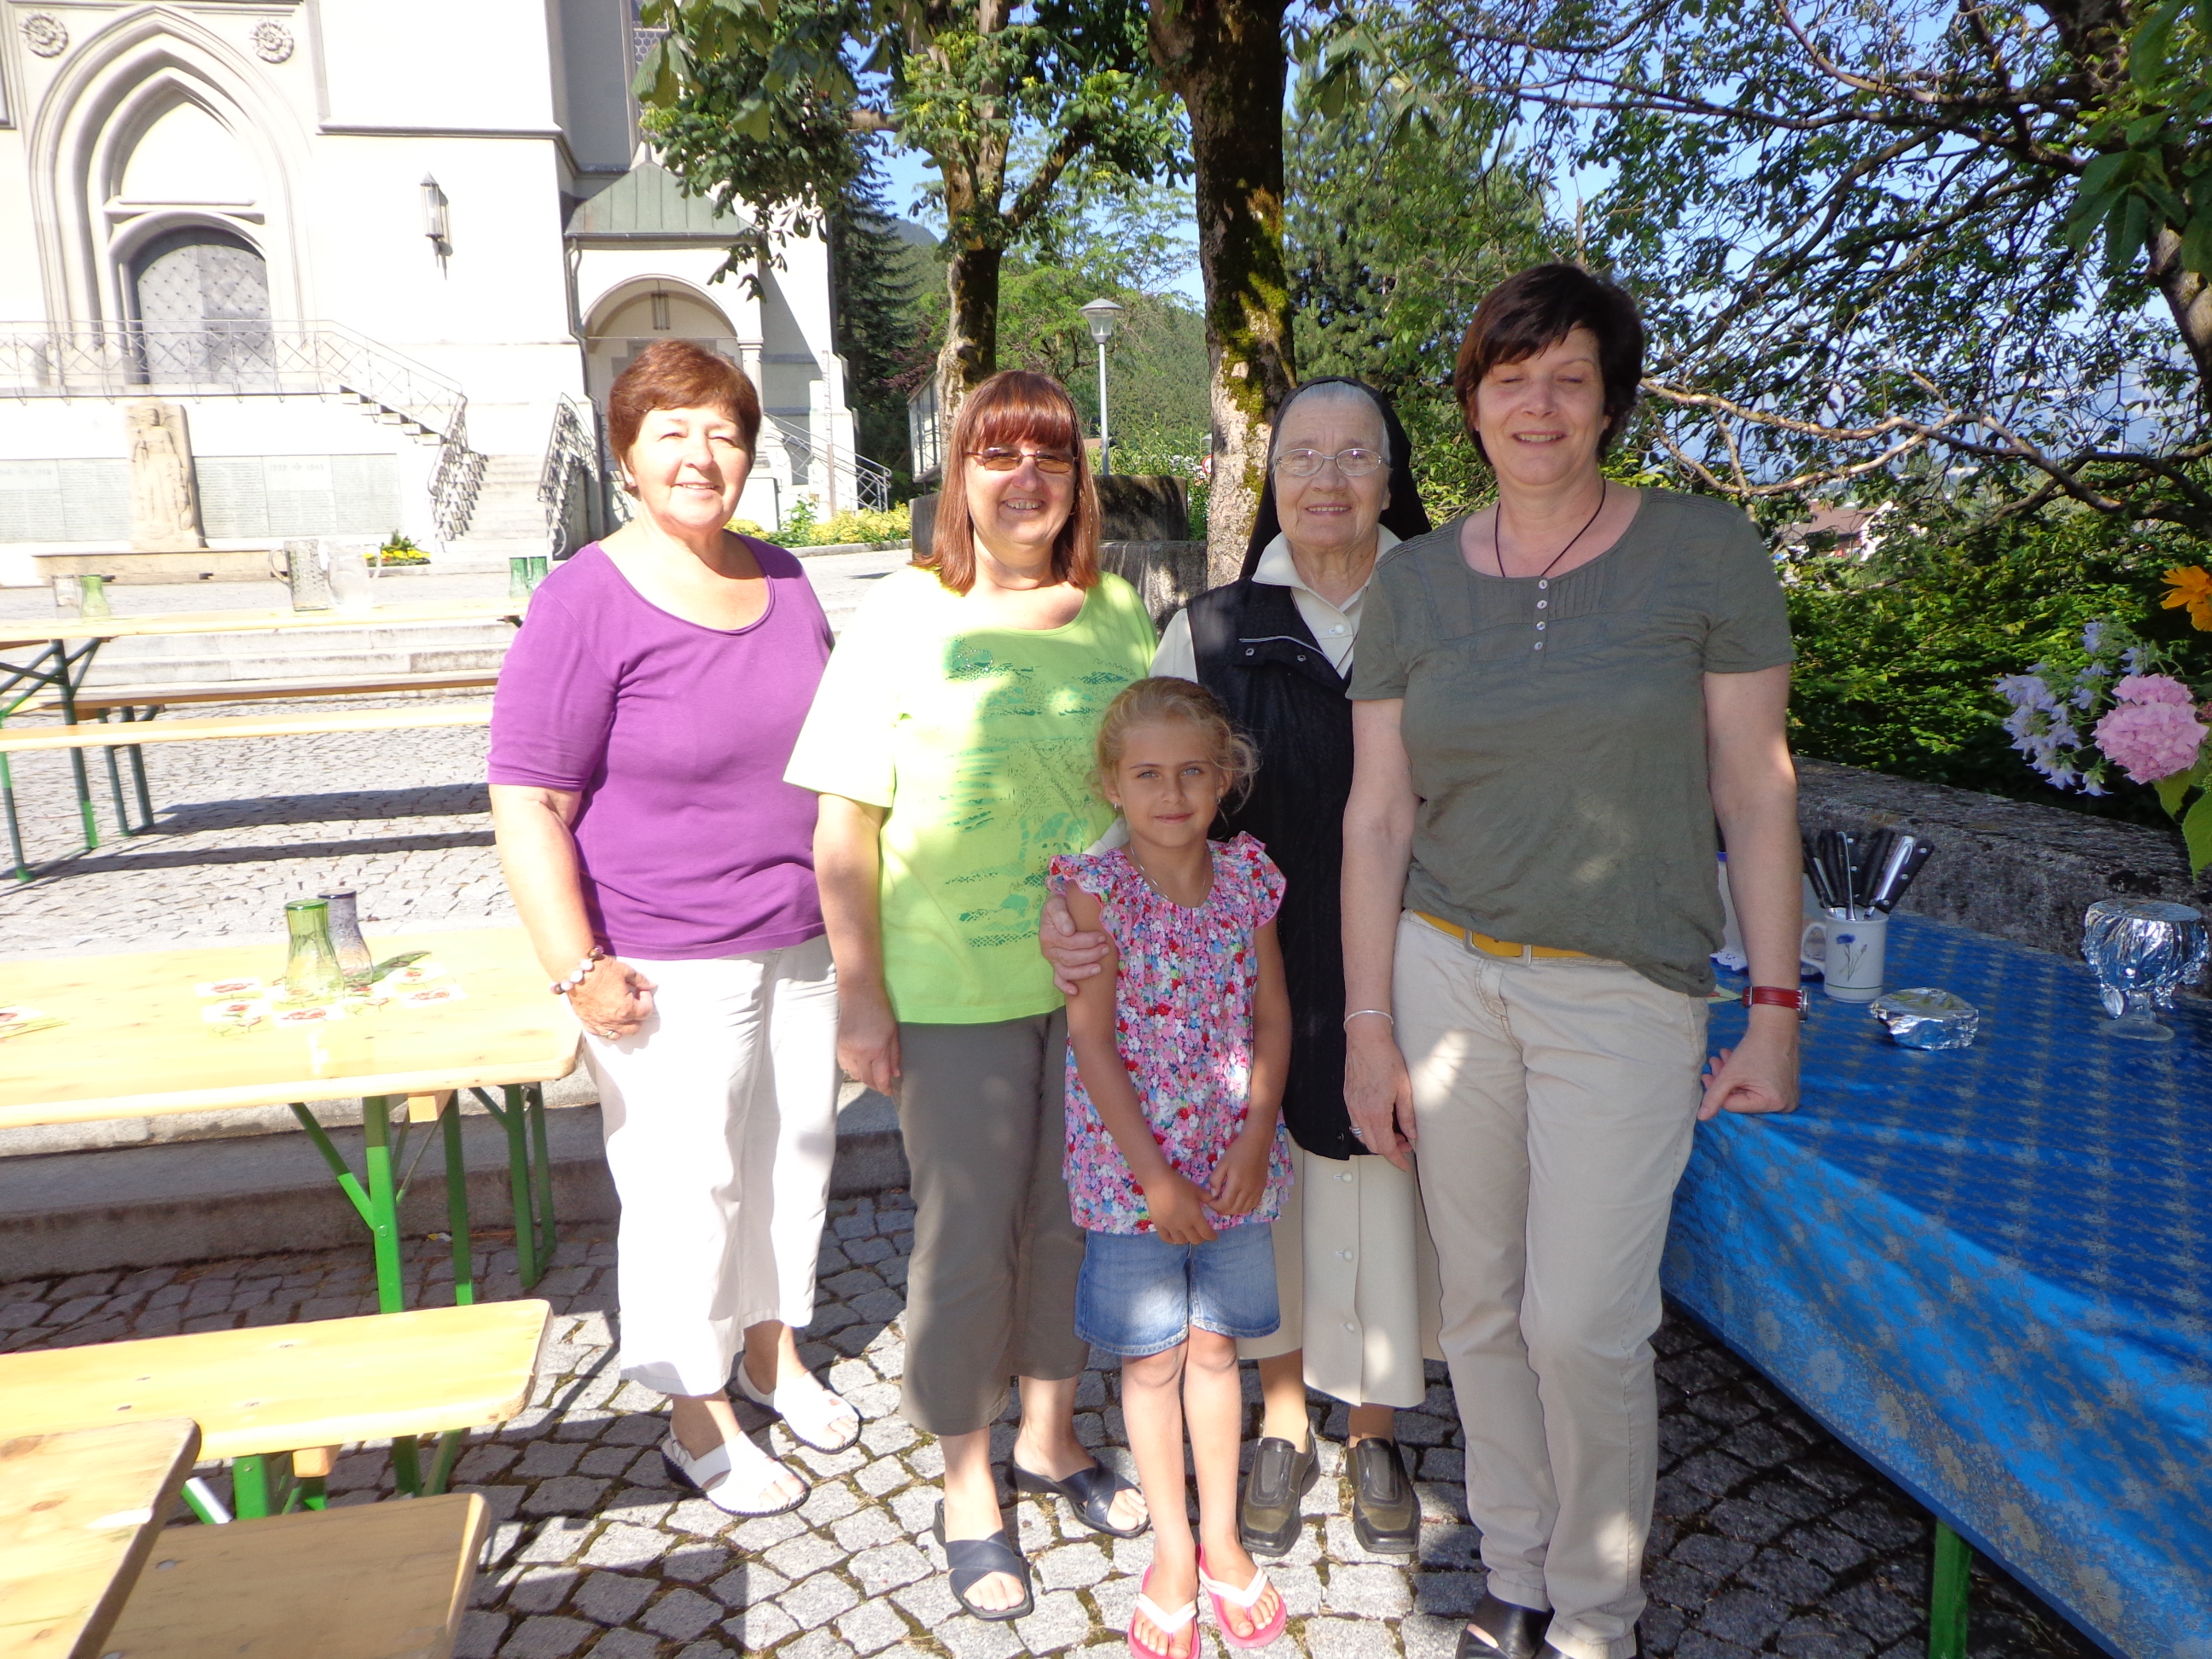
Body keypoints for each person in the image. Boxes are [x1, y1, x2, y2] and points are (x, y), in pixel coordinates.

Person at [1340, 264, 1802, 1659]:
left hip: (1626, 985)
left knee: (1584, 1320)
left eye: (1567, 378)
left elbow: (1756, 786)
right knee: (1480, 1303)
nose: (1536, 405)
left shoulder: (1703, 552)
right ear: (1471, 402)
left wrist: (1773, 1006)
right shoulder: (1415, 580)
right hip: (1443, 973)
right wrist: (1367, 1023)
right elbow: (1378, 814)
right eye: (1509, 377)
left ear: (1609, 402)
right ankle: (1516, 1562)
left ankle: (1599, 1609)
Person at [1043, 377, 1444, 1559]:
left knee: (1385, 1183)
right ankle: (1280, 1418)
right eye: (1302, 455)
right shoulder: (1213, 627)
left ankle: (1376, 1426)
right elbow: (1150, 782)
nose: (1327, 479)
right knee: (1263, 1190)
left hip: (1408, 945)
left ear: (1391, 475)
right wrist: (1074, 910)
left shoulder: (1439, 605)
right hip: (1246, 957)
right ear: (1270, 476)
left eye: (1355, 455)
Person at [787, 370, 1155, 1621]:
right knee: (963, 1238)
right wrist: (860, 992)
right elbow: (845, 822)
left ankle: (1049, 1435)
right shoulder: (902, 612)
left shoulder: (1119, 613)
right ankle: (965, 1483)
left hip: (1096, 988)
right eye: (999, 455)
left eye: (1050, 456)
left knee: (1071, 1224)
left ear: (1078, 481)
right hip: (952, 990)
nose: (1026, 479)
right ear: (961, 479)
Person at [488, 338, 856, 1520]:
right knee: (687, 1187)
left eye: (724, 433)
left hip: (801, 939)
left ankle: (772, 1355)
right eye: (673, 433)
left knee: (793, 1163)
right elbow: (528, 803)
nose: (702, 456)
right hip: (664, 957)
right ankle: (696, 1414)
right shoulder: (583, 598)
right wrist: (577, 967)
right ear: (627, 455)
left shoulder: (786, 578)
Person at [1054, 677, 1295, 1659]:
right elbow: (1092, 1042)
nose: (1172, 792)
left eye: (1194, 771)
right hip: (1132, 1177)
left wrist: (1256, 1133)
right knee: (1151, 1359)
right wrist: (1155, 1179)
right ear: (1113, 785)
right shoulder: (1095, 891)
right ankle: (1172, 1552)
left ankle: (1223, 1538)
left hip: (1235, 1163)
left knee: (1216, 1350)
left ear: (1225, 778)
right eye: (1148, 774)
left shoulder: (1249, 879)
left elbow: (1273, 1015)